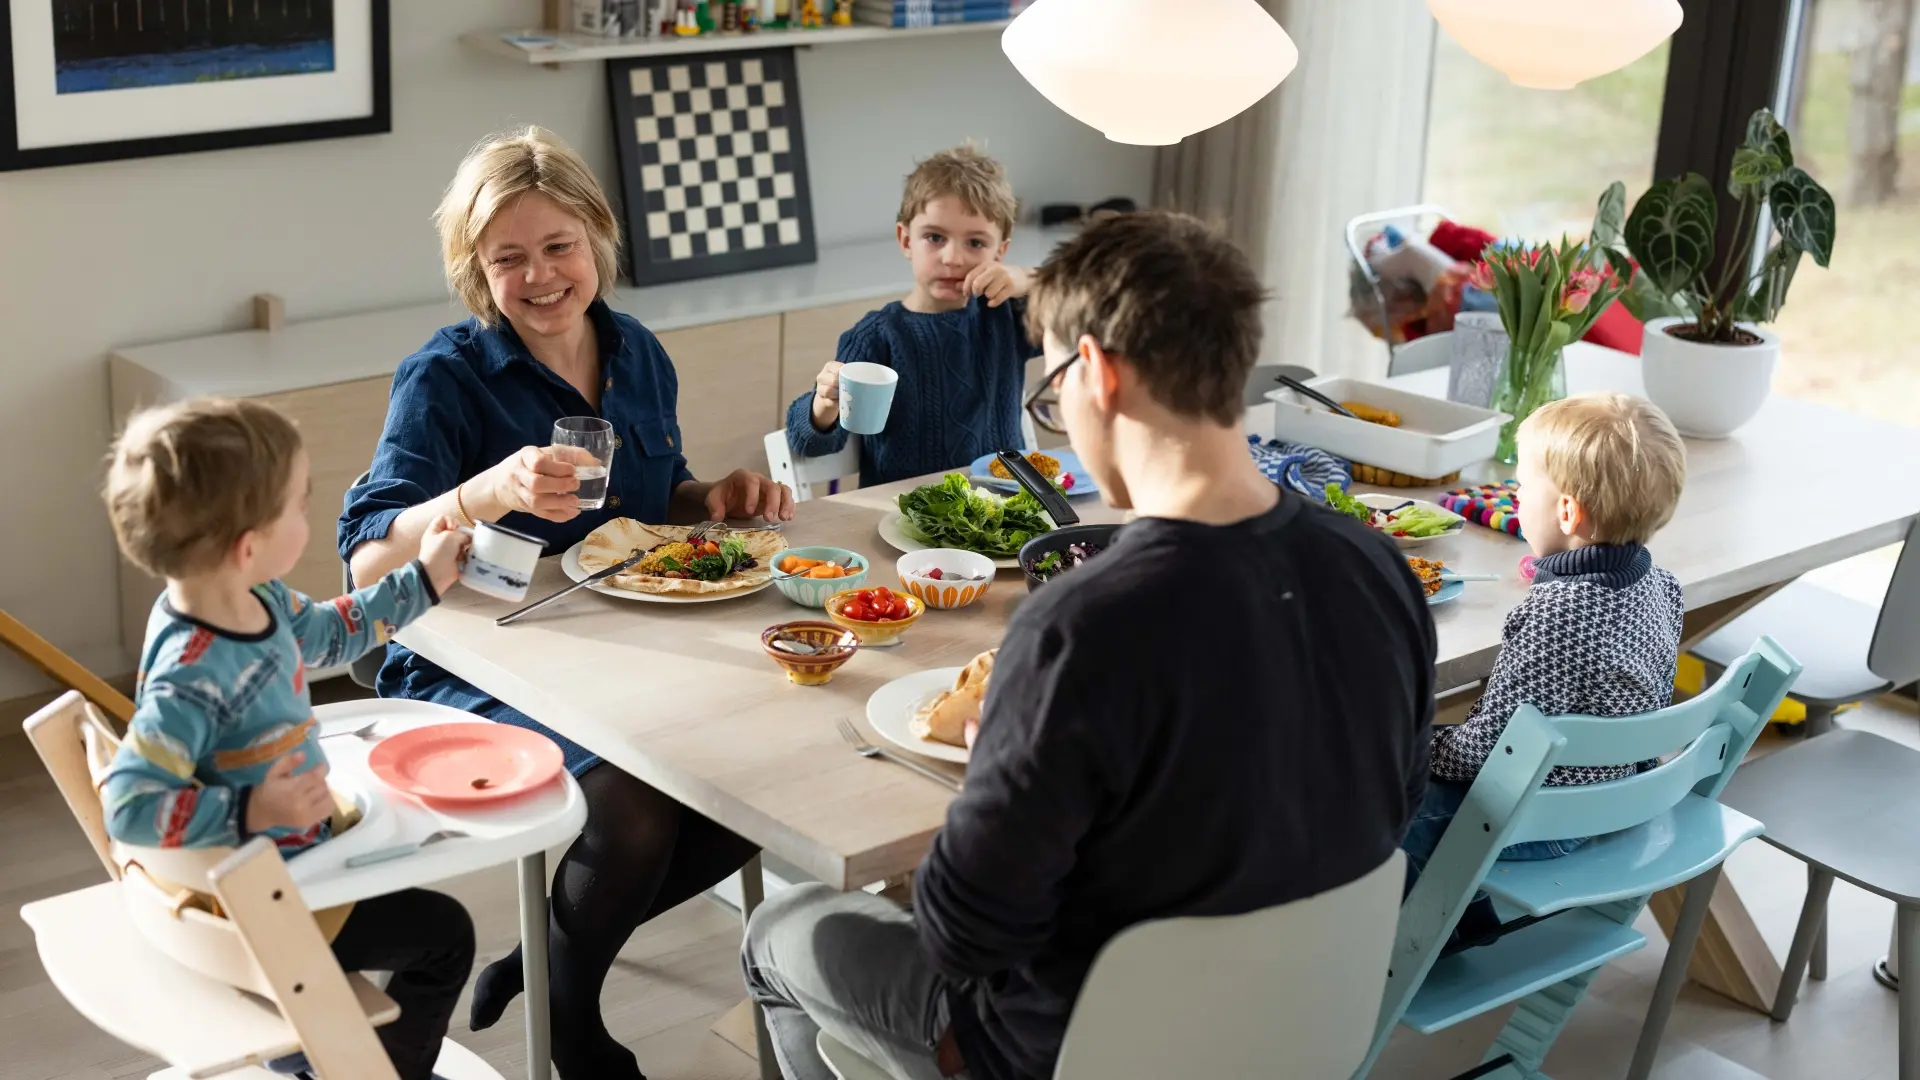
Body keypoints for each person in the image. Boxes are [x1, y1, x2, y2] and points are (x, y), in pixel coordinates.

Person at [742, 212, 1436, 1080]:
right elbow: (1395, 808)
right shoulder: (1378, 567)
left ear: (1098, 373)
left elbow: (966, 936)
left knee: (779, 928)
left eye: (1056, 380)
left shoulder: (1080, 628)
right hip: (1299, 1032)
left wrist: (997, 746)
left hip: (1085, 1051)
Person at [338, 126, 790, 1080]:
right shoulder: (447, 374)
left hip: (615, 644)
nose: (540, 277)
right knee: (630, 809)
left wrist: (712, 500)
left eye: (559, 248)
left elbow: (649, 503)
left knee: (757, 786)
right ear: (474, 269)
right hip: (471, 651)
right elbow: (367, 558)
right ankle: (568, 1019)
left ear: (598, 240)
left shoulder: (638, 353)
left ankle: (538, 960)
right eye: (509, 259)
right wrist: (484, 491)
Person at [100, 398, 474, 1080]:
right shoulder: (191, 677)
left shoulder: (255, 600)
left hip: (299, 860)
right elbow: (126, 805)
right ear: (248, 546)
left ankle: (307, 1057)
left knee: (404, 848)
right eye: (299, 508)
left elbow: (335, 632)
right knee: (447, 936)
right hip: (273, 900)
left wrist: (424, 577)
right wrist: (252, 811)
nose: (310, 516)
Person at [1401, 393, 1688, 882]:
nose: (1515, 498)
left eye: (1521, 487)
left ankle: (1434, 935)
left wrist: (1411, 748)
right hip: (1614, 795)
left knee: (1372, 805)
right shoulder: (1662, 588)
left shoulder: (1556, 615)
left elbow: (1487, 753)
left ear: (1568, 513)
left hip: (1536, 816)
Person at [784, 145, 1038, 488]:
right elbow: (809, 443)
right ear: (906, 240)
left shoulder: (1010, 318)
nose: (952, 258)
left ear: (1001, 252)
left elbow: (1102, 307)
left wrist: (1027, 278)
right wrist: (823, 404)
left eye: (975, 243)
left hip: (1007, 517)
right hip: (906, 522)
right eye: (935, 237)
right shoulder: (876, 336)